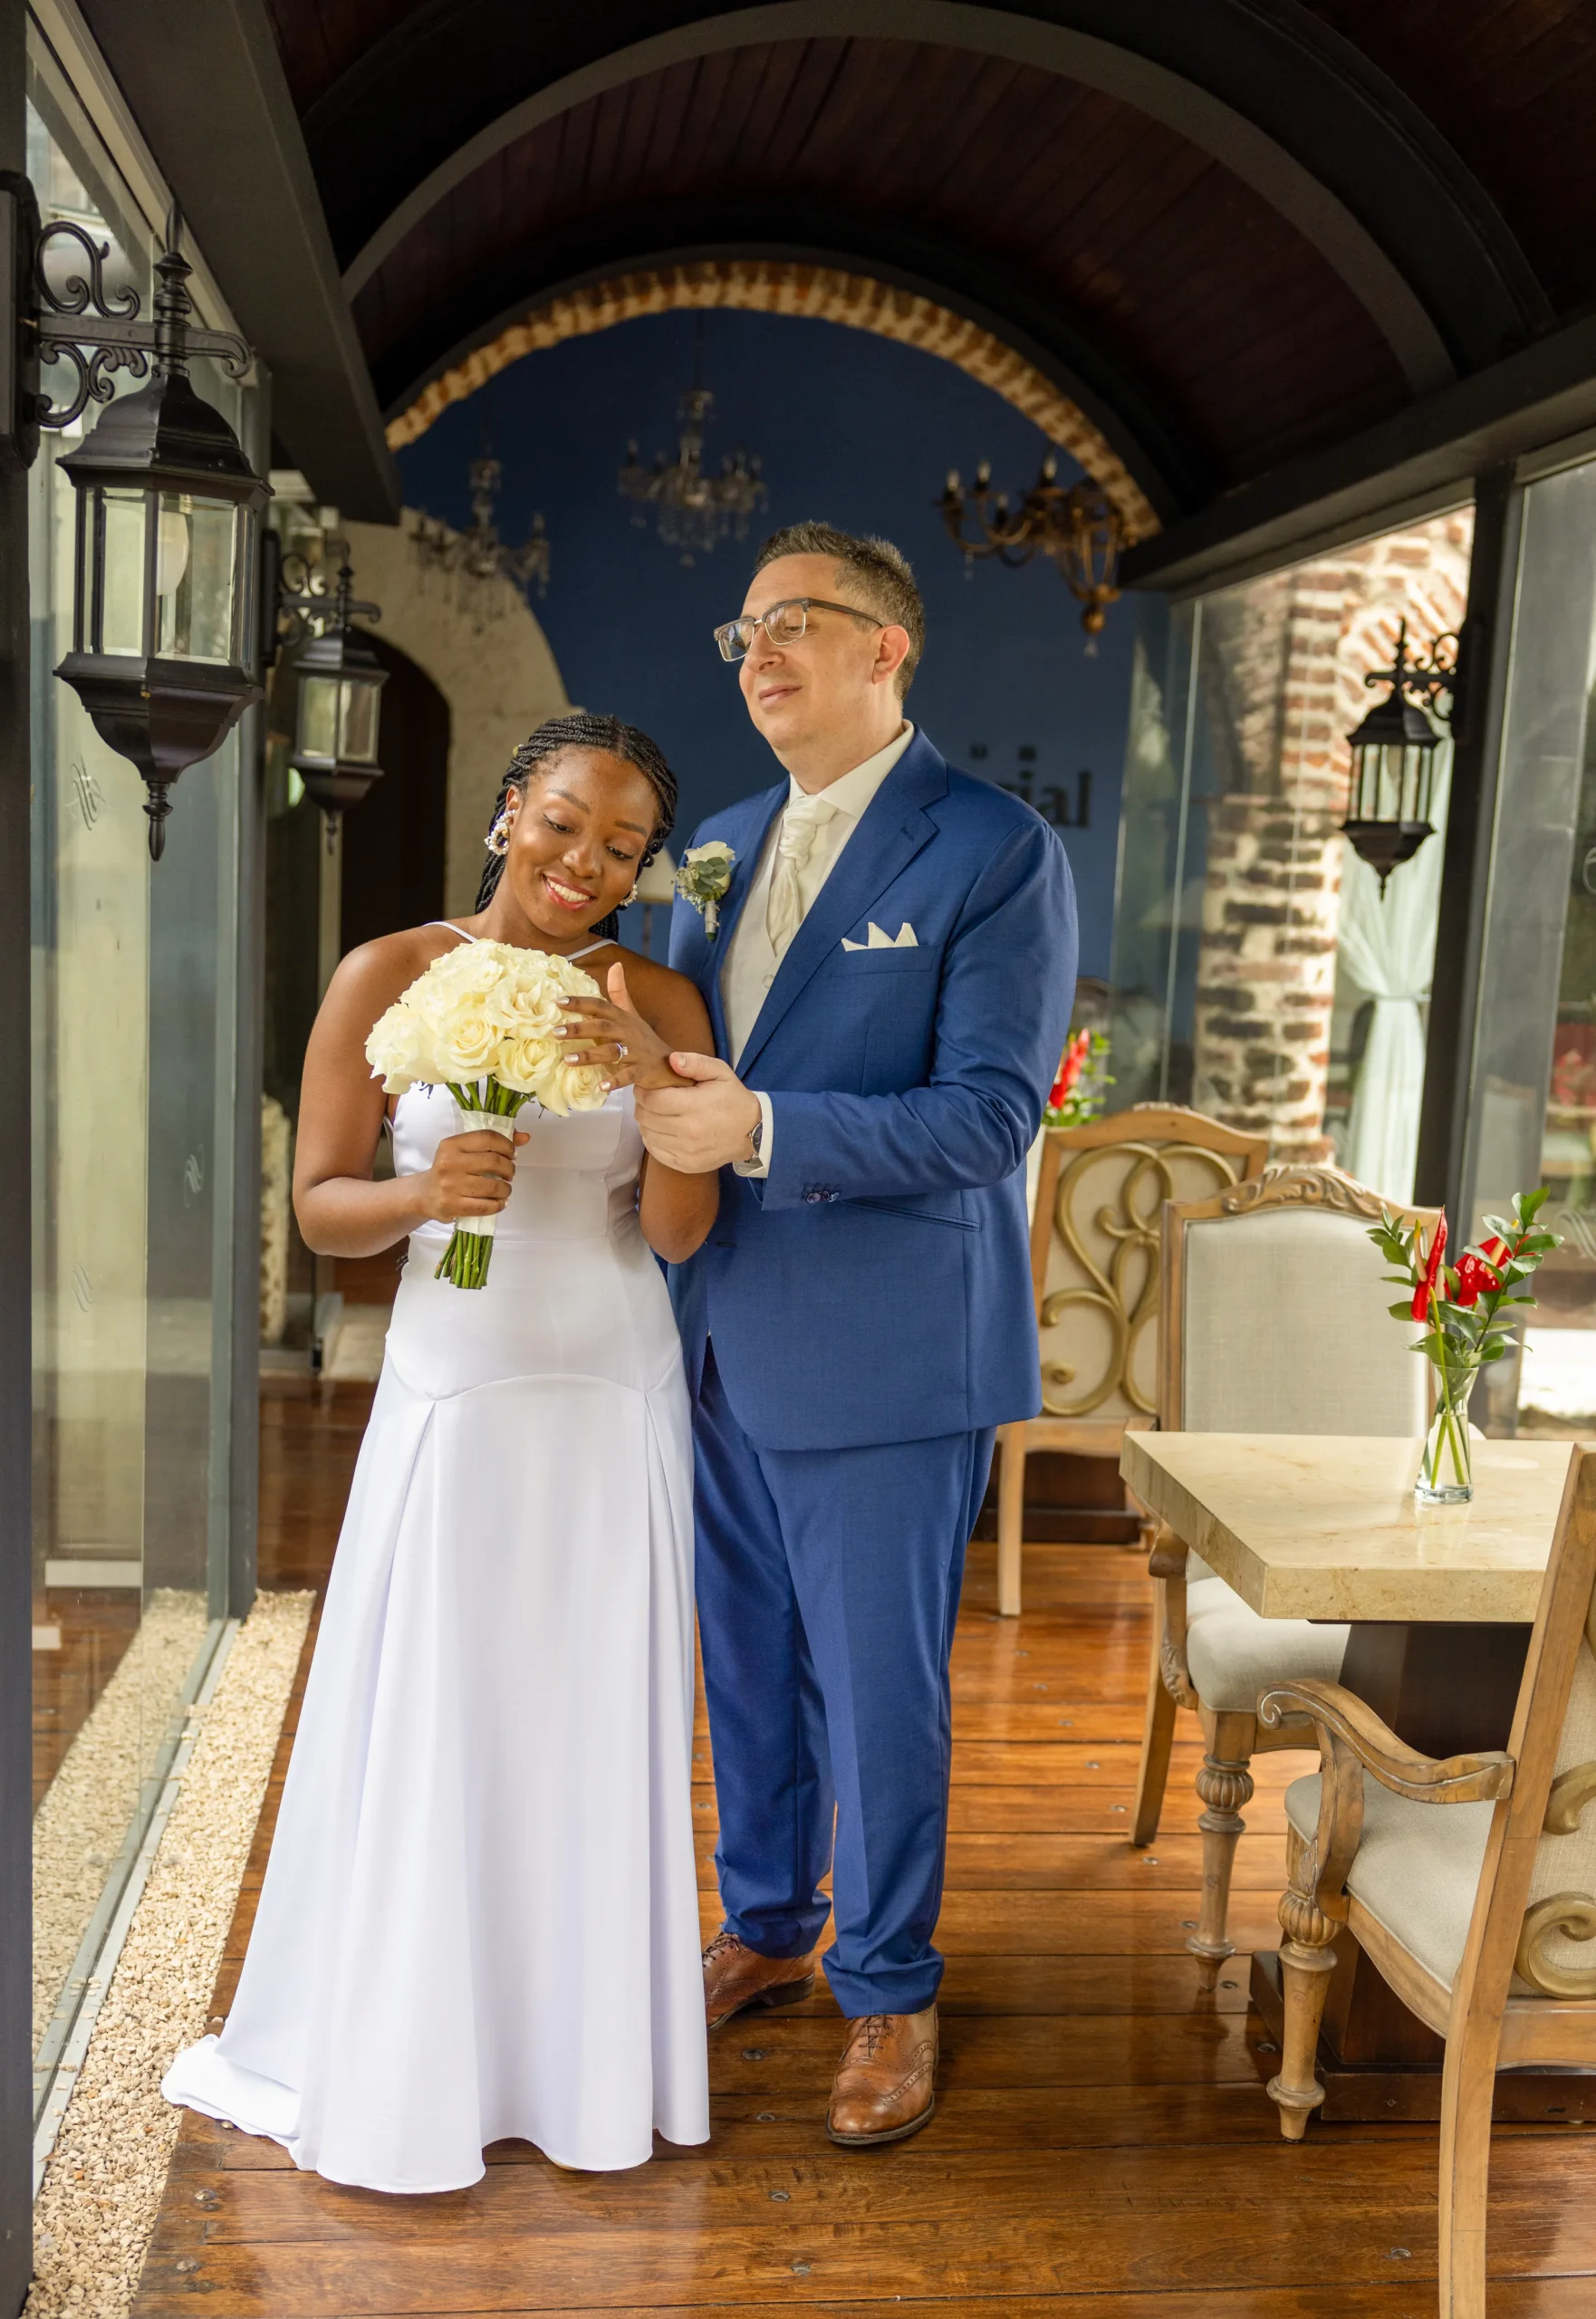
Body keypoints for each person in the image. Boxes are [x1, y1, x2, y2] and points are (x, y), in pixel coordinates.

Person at [162, 713, 716, 2191]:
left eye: (620, 847)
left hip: (609, 1390)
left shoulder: (657, 993)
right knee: (440, 1706)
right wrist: (426, 1202)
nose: (582, 863)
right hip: (454, 1385)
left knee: (589, 1710)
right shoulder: (386, 974)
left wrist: (662, 1084)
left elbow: (674, 1235)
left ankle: (577, 2065)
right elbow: (320, 1205)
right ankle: (413, 2052)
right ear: (505, 815)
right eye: (561, 824)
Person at [632, 522, 1077, 2145]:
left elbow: (985, 1117)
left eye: (794, 626)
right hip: (709, 1335)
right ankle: (768, 1926)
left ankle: (889, 1989)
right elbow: (658, 1063)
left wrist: (758, 1129)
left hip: (892, 1350)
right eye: (741, 633)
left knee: (877, 1685)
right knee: (744, 1665)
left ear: (887, 649)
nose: (758, 658)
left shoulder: (992, 847)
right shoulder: (721, 845)